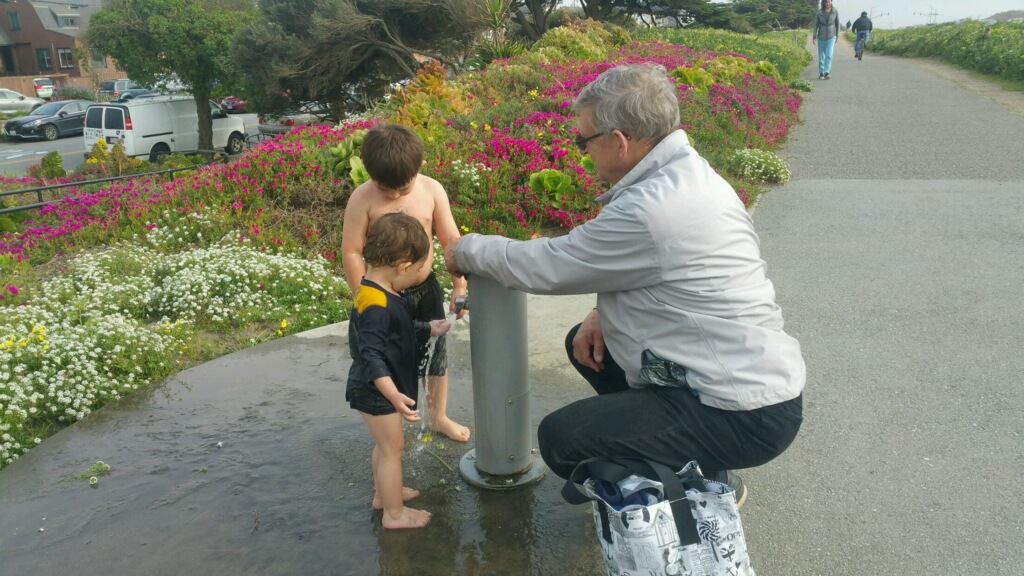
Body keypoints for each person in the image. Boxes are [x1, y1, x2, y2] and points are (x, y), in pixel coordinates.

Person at [443, 64, 804, 503]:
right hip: (743, 381)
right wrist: (603, 312)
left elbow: (551, 264)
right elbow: (666, 272)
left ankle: (697, 487)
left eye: (584, 140)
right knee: (589, 343)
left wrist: (466, 250)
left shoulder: (651, 208)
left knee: (562, 440)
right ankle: (685, 455)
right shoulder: (688, 174)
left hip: (740, 412)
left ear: (619, 141)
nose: (582, 152)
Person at [342, 122, 470, 443]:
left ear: (420, 167)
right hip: (381, 299)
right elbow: (352, 251)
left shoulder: (431, 190)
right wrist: (364, 297)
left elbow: (450, 241)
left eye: (403, 187)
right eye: (387, 189)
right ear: (369, 173)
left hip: (423, 289)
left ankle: (437, 416)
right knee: (382, 357)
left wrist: (460, 286)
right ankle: (388, 421)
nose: (396, 195)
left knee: (435, 355)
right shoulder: (363, 198)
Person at [346, 212, 452, 529]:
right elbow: (372, 354)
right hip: (377, 390)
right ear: (403, 267)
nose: (418, 275)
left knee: (385, 446)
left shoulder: (380, 291)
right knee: (393, 449)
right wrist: (392, 394)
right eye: (417, 270)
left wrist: (428, 328)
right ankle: (393, 514)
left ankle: (385, 495)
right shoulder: (376, 306)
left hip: (381, 388)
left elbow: (401, 329)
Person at [812, 0, 841, 79]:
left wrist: (837, 36)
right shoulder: (819, 12)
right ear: (823, 3)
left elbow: (837, 23)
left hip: (831, 36)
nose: (827, 3)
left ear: (831, 2)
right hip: (821, 36)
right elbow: (815, 25)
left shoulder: (835, 11)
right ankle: (821, 72)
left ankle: (827, 72)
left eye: (829, 2)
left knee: (829, 54)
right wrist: (814, 37)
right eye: (826, 2)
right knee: (821, 56)